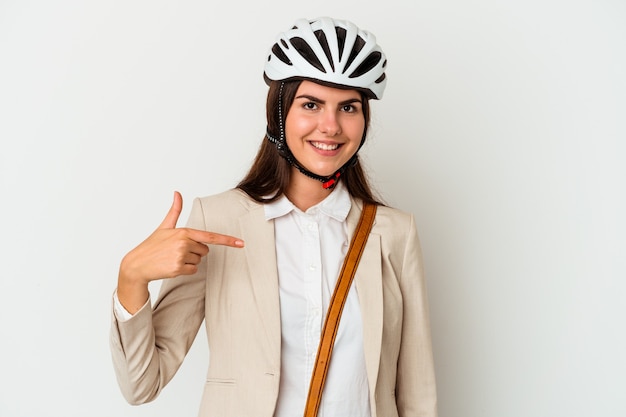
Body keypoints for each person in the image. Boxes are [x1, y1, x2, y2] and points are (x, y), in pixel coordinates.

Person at [110, 16, 437, 417]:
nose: (330, 126)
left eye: (348, 107)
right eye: (311, 104)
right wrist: (132, 278)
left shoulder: (394, 232)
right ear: (278, 115)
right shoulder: (218, 221)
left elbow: (417, 393)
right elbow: (142, 385)